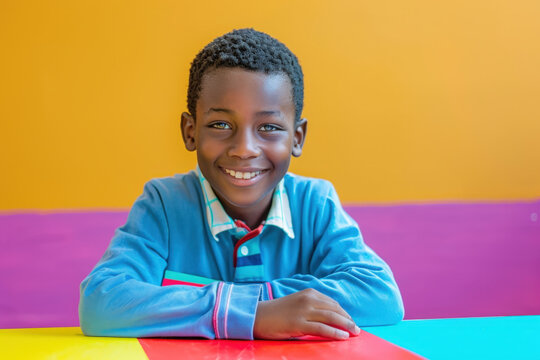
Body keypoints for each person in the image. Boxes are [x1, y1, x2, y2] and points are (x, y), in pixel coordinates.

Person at [79, 28, 404, 341]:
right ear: (190, 131)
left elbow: (379, 294)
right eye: (221, 124)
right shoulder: (164, 205)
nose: (244, 148)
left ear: (297, 137)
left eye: (269, 127)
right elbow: (101, 302)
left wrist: (255, 303)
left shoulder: (314, 204)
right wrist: (257, 314)